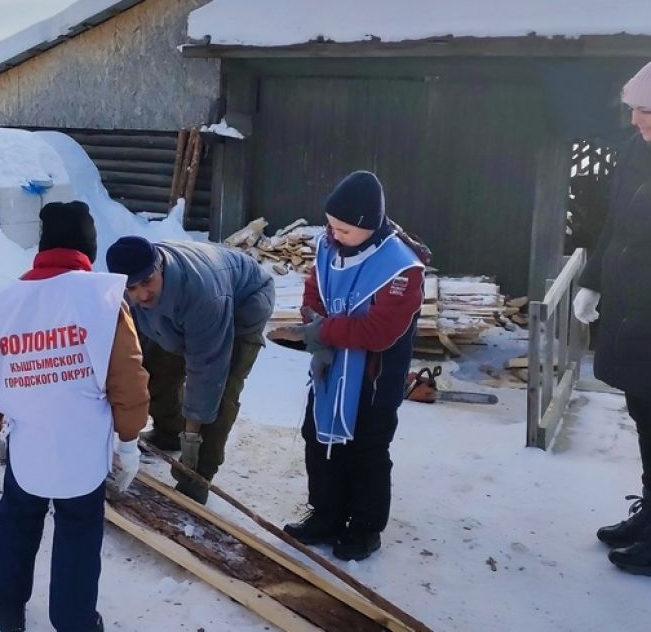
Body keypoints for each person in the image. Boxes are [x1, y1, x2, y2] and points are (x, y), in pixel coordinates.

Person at [0, 201, 149, 632]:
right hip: (83, 451)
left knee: (16, 522)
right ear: (88, 248)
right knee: (79, 530)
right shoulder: (103, 300)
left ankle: (5, 606)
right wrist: (128, 441)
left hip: (28, 448)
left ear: (42, 245)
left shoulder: (1, 306)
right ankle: (74, 620)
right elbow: (128, 376)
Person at [282, 170, 429, 562]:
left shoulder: (402, 268)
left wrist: (324, 331)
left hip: (374, 378)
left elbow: (379, 331)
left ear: (369, 225)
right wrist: (311, 315)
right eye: (331, 226)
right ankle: (327, 513)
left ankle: (365, 527)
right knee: (319, 437)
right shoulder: (330, 245)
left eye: (344, 230)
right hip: (332, 367)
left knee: (366, 449)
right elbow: (317, 284)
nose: (334, 235)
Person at [104, 235, 275, 505]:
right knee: (153, 366)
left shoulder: (203, 294)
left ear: (159, 265)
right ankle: (169, 430)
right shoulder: (131, 289)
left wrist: (193, 438)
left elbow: (207, 371)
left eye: (146, 282)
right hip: (179, 311)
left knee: (219, 393)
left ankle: (196, 476)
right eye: (132, 288)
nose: (141, 294)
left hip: (244, 303)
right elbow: (129, 355)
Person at [574, 61, 651, 576]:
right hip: (632, 310)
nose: (640, 122)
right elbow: (613, 229)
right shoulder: (636, 155)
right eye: (636, 112)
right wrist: (593, 279)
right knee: (644, 415)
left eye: (648, 112)